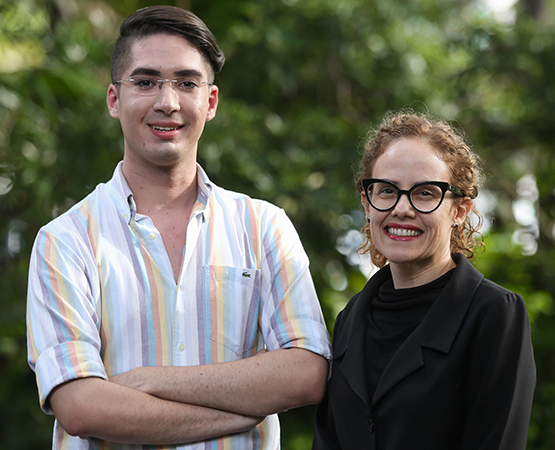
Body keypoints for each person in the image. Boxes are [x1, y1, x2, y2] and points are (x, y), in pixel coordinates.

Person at [26, 6, 331, 449]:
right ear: (114, 99)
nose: (167, 101)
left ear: (210, 102)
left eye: (187, 83)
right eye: (146, 81)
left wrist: (152, 381)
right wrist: (243, 409)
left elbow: (305, 374)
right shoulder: (65, 241)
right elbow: (81, 406)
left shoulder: (263, 227)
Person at [312, 111, 536, 450]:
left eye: (425, 193)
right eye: (387, 191)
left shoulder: (493, 314)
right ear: (367, 203)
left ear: (459, 210)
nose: (402, 208)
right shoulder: (350, 318)